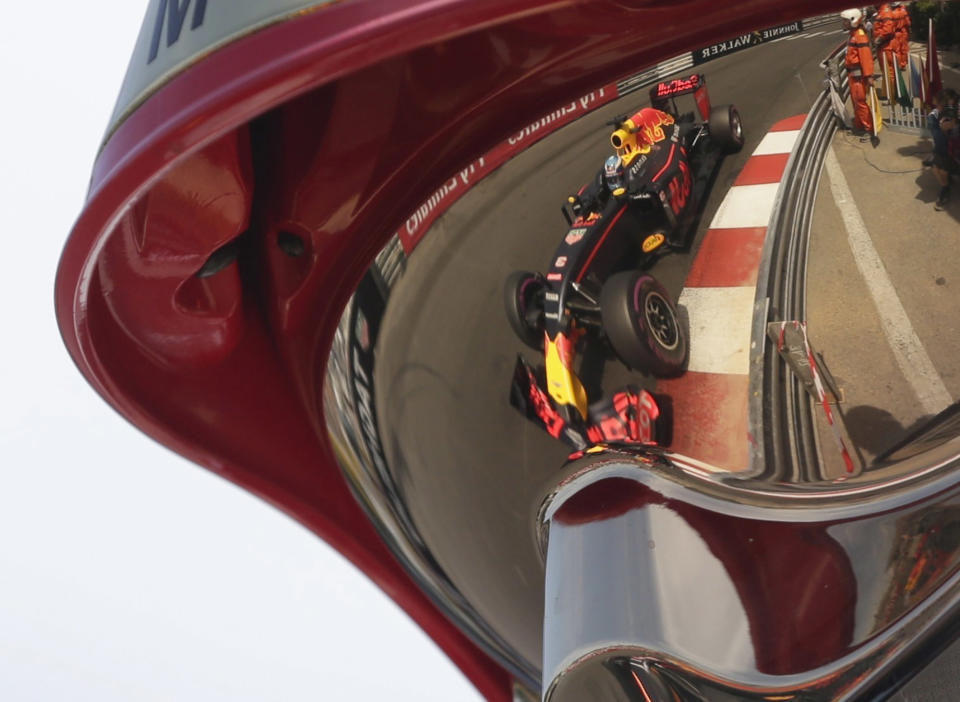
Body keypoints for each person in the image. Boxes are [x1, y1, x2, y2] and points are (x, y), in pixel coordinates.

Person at [843, 9, 879, 144]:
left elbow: (866, 58)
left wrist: (869, 76)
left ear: (853, 20)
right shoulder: (854, 34)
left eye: (846, 20)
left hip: (858, 76)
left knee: (860, 102)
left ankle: (868, 129)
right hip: (853, 74)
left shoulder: (859, 35)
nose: (844, 23)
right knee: (856, 102)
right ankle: (859, 125)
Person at [929, 90, 960, 210]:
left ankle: (948, 176)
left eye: (954, 105)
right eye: (947, 106)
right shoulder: (935, 117)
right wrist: (944, 131)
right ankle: (945, 187)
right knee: (937, 167)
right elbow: (940, 145)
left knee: (940, 165)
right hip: (949, 154)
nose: (951, 109)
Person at [871, 3, 897, 80]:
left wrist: (878, 39)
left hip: (887, 47)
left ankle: (892, 91)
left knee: (889, 72)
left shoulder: (886, 12)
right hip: (882, 46)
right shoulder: (881, 12)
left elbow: (888, 30)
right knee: (886, 72)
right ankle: (890, 90)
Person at [892, 1, 911, 70]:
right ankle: (903, 64)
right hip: (904, 32)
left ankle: (898, 64)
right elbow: (908, 23)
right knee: (904, 49)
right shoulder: (904, 12)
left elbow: (891, 26)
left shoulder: (892, 13)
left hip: (895, 33)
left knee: (897, 50)